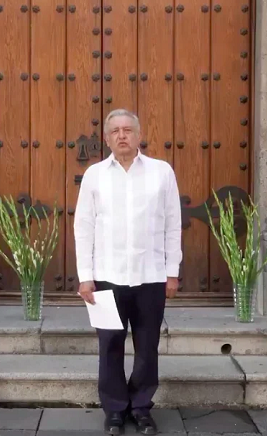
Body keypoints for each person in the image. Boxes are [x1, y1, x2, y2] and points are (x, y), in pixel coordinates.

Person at [74, 108, 182, 435]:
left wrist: (172, 271)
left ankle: (142, 406)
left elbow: (173, 225)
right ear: (106, 138)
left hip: (150, 277)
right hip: (106, 278)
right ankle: (115, 410)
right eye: (115, 131)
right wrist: (85, 275)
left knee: (147, 345)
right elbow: (83, 228)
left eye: (128, 130)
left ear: (139, 134)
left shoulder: (161, 172)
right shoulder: (95, 175)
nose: (122, 135)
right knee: (110, 345)